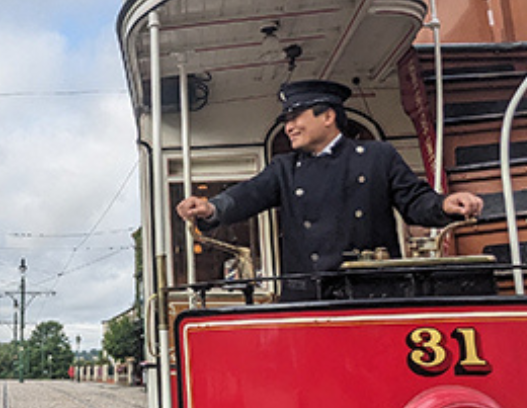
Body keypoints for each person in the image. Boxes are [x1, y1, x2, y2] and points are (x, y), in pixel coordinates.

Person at [175, 79, 484, 299]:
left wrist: (445, 205)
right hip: (310, 301)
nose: (289, 126)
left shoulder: (379, 157)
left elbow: (415, 202)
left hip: (373, 297)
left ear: (328, 116)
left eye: (296, 117)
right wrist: (212, 208)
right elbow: (247, 195)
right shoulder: (285, 168)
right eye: (286, 120)